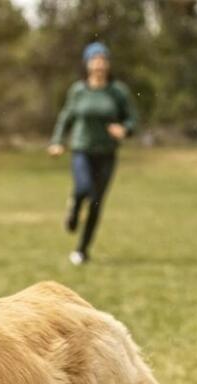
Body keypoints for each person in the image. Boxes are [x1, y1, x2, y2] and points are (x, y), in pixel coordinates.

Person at [48, 42, 139, 266]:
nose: (99, 64)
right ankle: (74, 209)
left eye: (103, 60)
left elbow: (133, 119)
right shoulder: (78, 91)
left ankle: (82, 250)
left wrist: (125, 129)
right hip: (82, 149)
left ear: (108, 64)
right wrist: (58, 141)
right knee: (83, 188)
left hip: (107, 153)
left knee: (97, 202)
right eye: (95, 60)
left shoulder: (118, 92)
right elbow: (65, 117)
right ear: (87, 64)